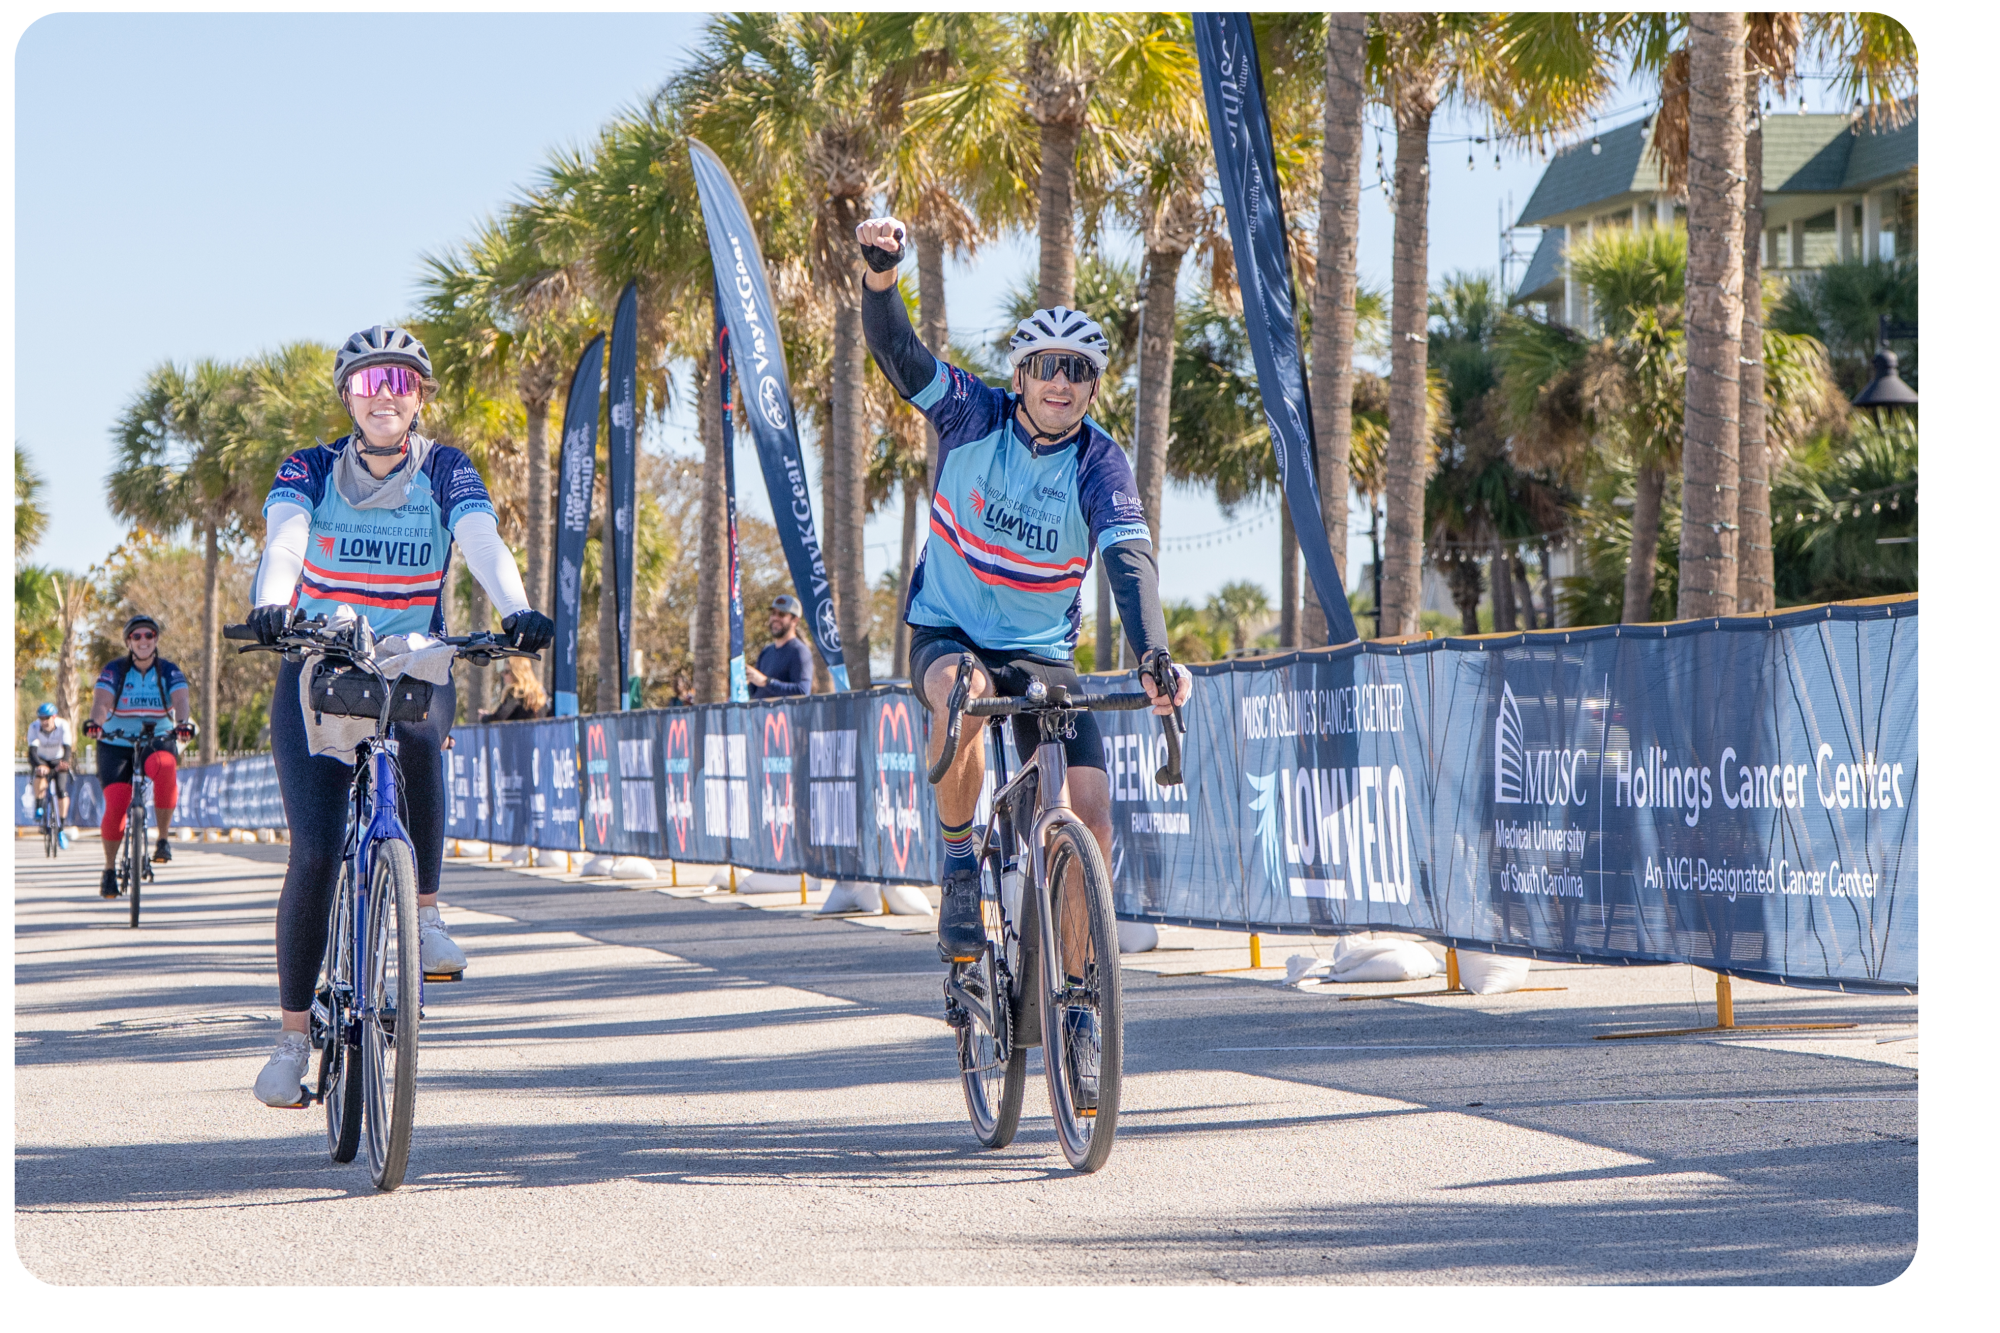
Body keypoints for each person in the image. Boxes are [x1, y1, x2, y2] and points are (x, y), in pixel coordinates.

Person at [854, 216, 1193, 977]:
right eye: (1046, 366)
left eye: (1078, 370)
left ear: (1093, 388)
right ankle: (959, 870)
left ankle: (1075, 994)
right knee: (961, 696)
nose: (1061, 382)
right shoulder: (972, 412)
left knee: (1090, 817)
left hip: (1043, 654)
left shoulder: (1099, 462)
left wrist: (1154, 654)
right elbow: (899, 355)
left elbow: (1131, 561)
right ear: (1021, 376)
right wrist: (881, 277)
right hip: (951, 629)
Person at [243, 324, 554, 1108]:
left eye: (402, 384)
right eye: (371, 384)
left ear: (419, 399)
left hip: (408, 656)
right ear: (348, 395)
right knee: (314, 850)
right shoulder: (310, 466)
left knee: (421, 733)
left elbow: (480, 539)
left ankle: (426, 911)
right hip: (319, 663)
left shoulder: (445, 468)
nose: (387, 398)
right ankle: (290, 1039)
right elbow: (286, 539)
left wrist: (515, 608)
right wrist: (273, 606)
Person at [82, 615, 194, 895]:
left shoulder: (167, 670)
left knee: (167, 766)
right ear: (129, 642)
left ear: (156, 640)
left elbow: (181, 700)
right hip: (115, 741)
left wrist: (182, 725)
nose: (143, 640)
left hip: (157, 738)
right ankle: (109, 869)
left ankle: (163, 841)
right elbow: (101, 702)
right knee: (117, 804)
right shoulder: (115, 670)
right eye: (137, 636)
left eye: (149, 635)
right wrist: (95, 723)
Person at [746, 595, 814, 699]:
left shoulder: (799, 651)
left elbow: (802, 690)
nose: (775, 618)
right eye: (773, 613)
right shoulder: (766, 651)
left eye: (782, 614)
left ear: (794, 620)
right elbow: (755, 692)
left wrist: (766, 682)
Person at [26, 702, 75, 848]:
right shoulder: (34, 727)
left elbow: (67, 748)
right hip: (41, 758)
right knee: (40, 776)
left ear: (54, 717)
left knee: (61, 791)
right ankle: (39, 805)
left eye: (47, 718)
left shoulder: (63, 725)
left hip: (58, 759)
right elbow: (32, 752)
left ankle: (61, 828)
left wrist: (65, 762)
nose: (44, 721)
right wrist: (39, 766)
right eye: (41, 718)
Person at [481, 655, 551, 722]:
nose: (503, 675)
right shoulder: (539, 693)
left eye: (507, 671)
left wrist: (485, 718)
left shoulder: (516, 692)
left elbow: (499, 717)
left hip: (518, 733)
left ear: (517, 673)